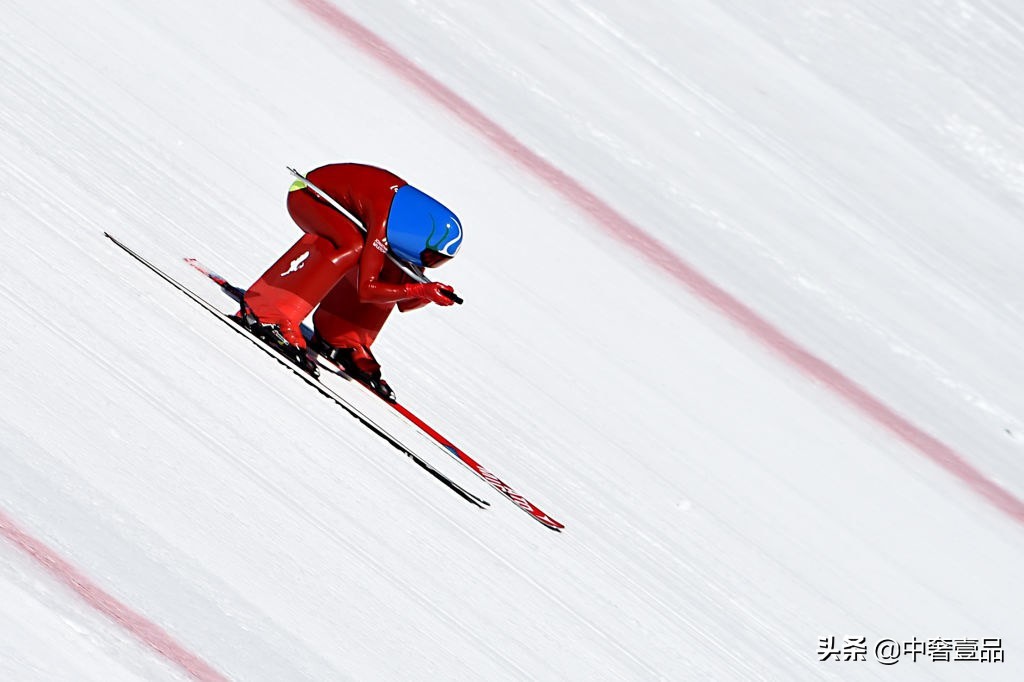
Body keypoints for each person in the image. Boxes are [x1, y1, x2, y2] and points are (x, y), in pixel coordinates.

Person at [236, 162, 463, 401]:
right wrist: (420, 289)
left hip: (347, 209)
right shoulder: (384, 218)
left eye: (436, 260)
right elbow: (367, 289)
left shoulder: (407, 230)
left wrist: (427, 292)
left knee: (396, 267)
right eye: (430, 256)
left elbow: (406, 302)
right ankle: (269, 310)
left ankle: (344, 335)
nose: (427, 262)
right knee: (351, 246)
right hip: (308, 194)